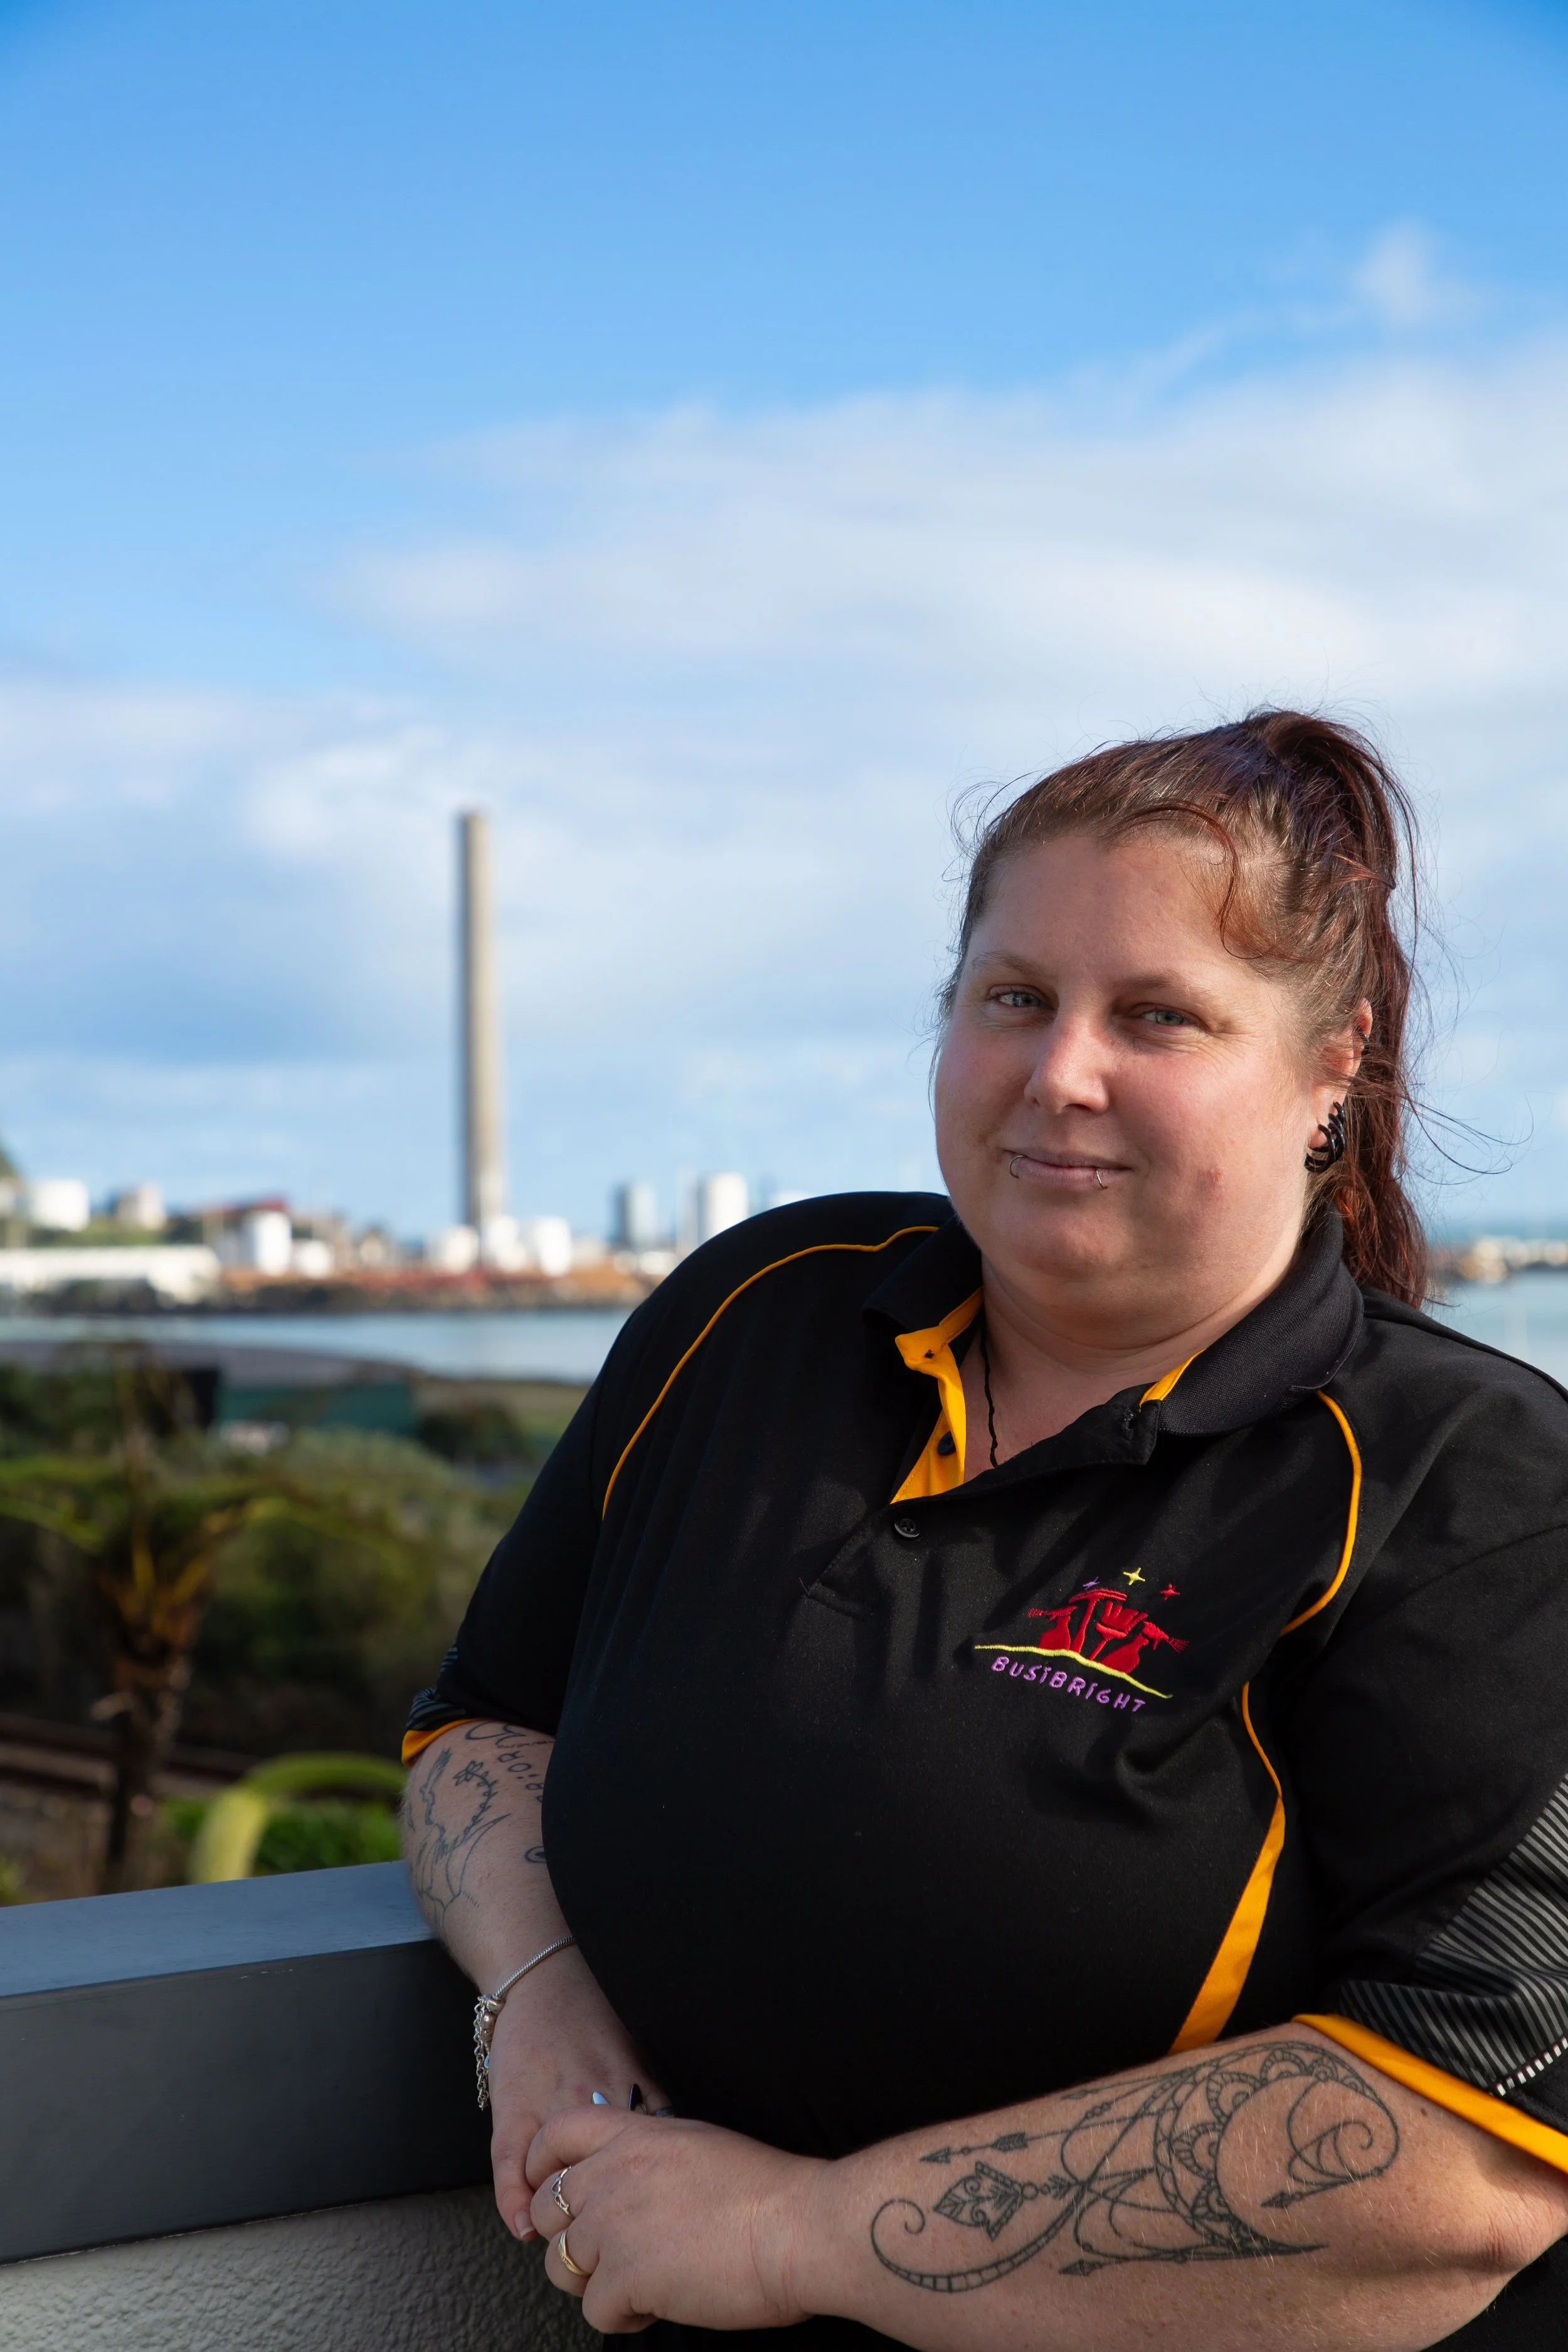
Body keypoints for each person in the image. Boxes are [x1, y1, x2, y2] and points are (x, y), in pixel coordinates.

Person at [403, 712, 1568, 2351]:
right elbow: (482, 1718)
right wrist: (535, 2000)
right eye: (1011, 996)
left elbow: (1462, 2153)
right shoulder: (755, 1317)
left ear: (1332, 1067)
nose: (1056, 1071)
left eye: (1157, 1015)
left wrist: (786, 2235)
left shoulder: (1480, 1489)